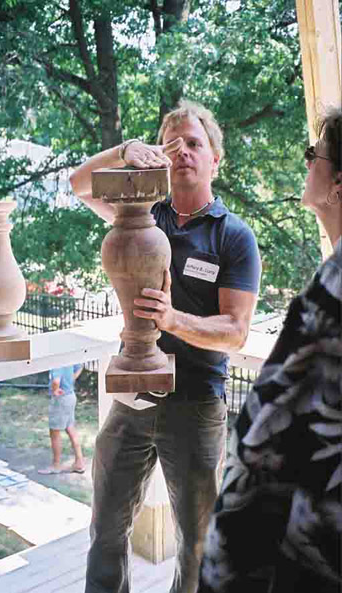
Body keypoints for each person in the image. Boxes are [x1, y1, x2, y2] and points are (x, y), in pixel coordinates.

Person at [70, 99, 262, 593]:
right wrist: (127, 149)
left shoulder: (233, 236)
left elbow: (236, 330)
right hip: (134, 395)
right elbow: (79, 184)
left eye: (194, 144)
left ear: (215, 158)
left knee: (197, 542)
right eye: (173, 146)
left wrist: (174, 319)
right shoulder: (139, 213)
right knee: (106, 529)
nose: (183, 155)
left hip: (196, 402)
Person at [198, 109, 342, 593]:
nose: (306, 167)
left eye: (311, 156)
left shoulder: (335, 291)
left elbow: (264, 448)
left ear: (338, 184)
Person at [38, 364, 85, 475]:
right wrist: (70, 381)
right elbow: (80, 366)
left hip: (61, 398)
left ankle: (56, 465)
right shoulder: (67, 357)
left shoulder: (56, 361)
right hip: (70, 395)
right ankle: (79, 463)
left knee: (54, 432)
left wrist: (55, 390)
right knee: (70, 428)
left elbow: (56, 381)